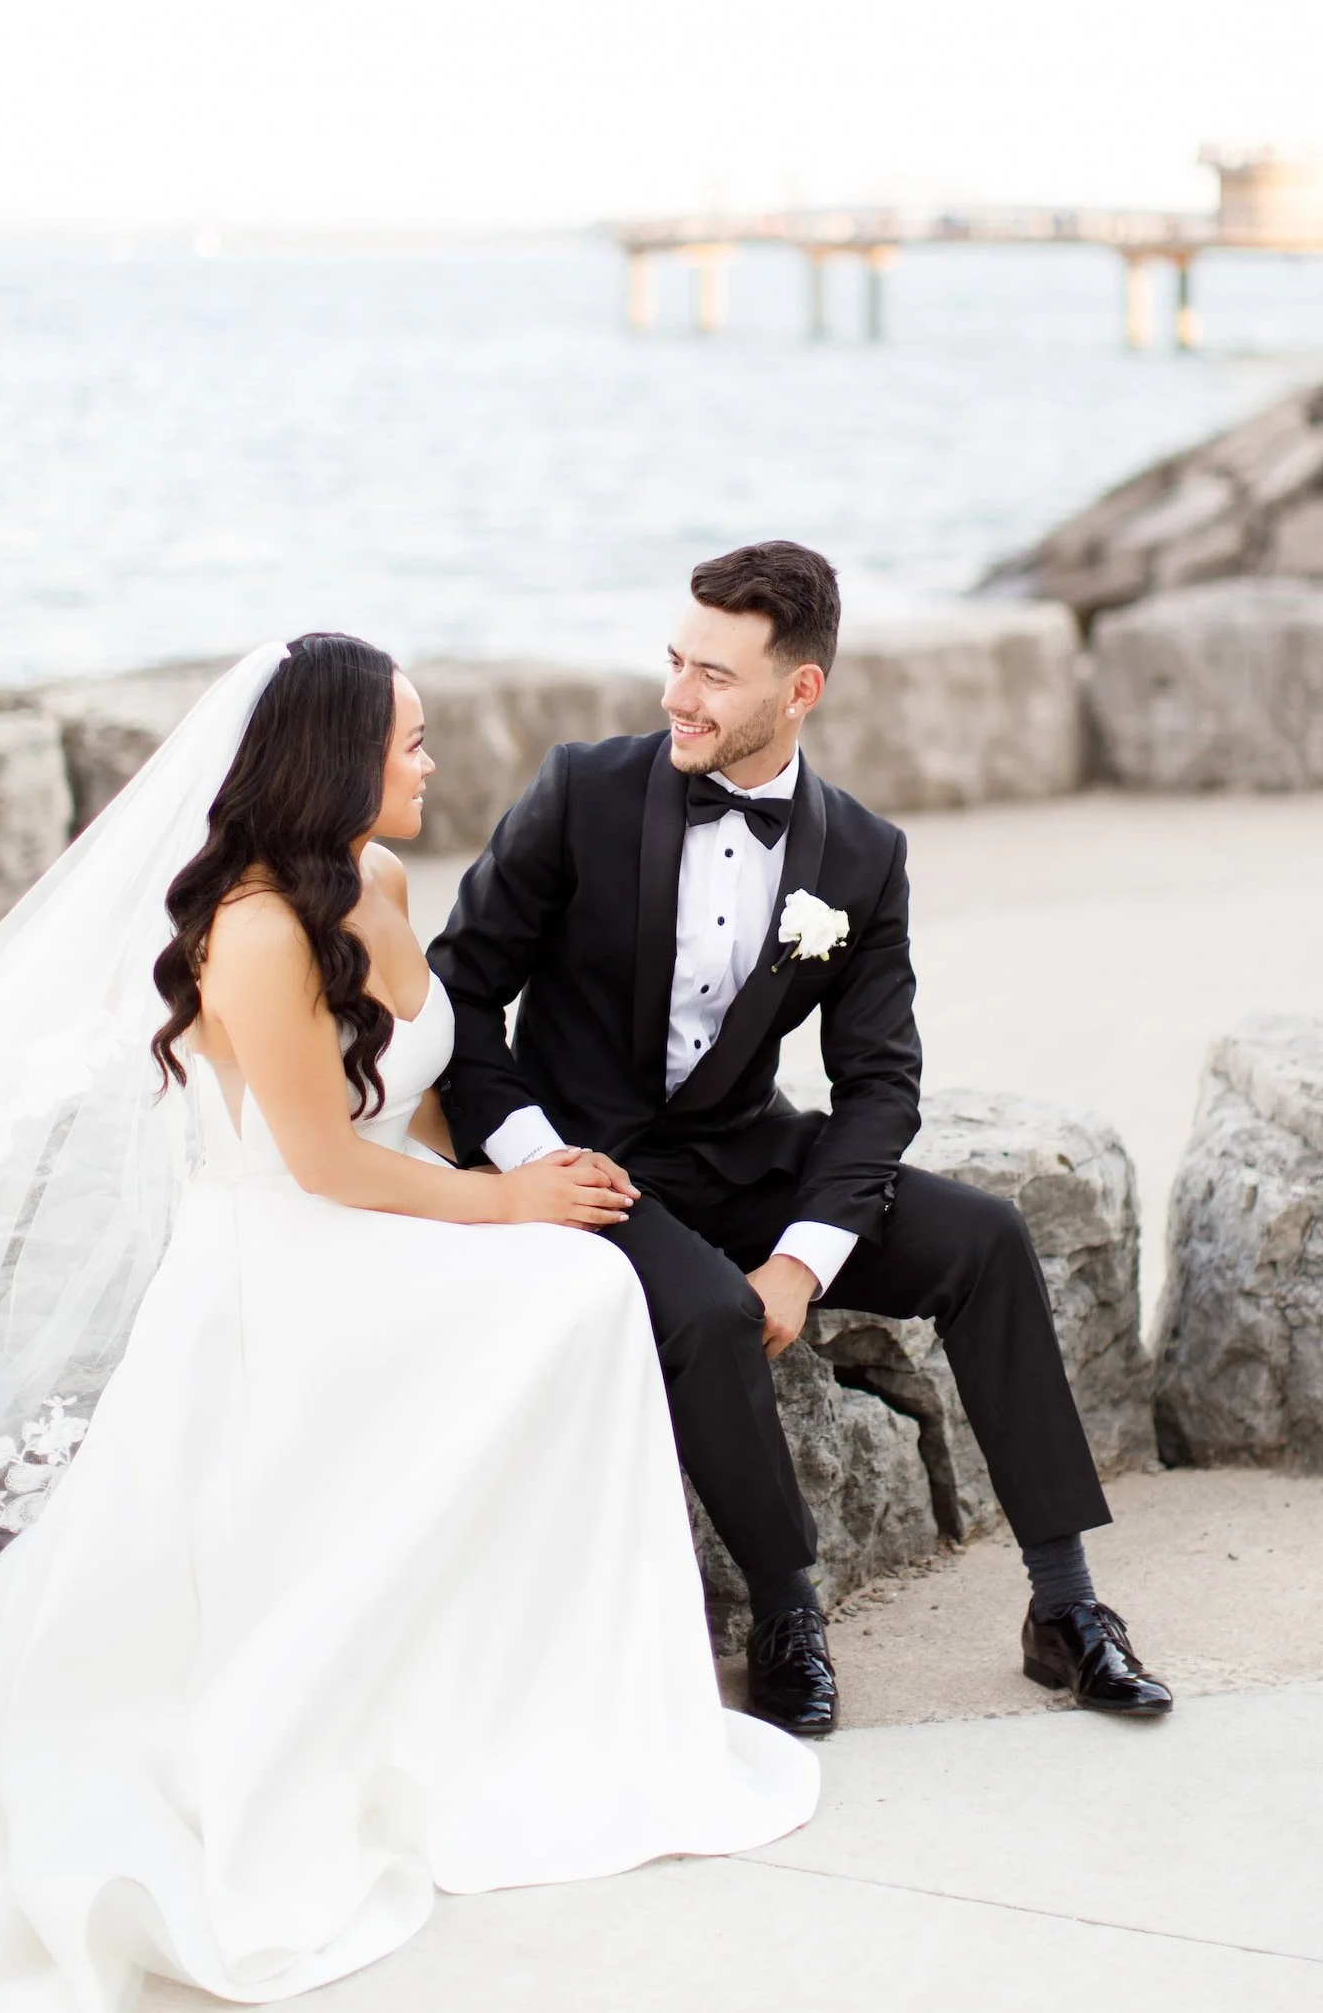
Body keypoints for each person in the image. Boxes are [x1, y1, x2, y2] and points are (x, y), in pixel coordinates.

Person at [0, 635, 815, 2013]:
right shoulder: (257, 928)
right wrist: (502, 1212)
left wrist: (507, 1183)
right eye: (407, 744)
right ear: (335, 760)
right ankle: (458, 1697)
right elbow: (319, 1161)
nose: (428, 765)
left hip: (388, 1218)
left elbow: (423, 1093)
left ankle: (528, 1689)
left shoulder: (375, 881)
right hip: (288, 1255)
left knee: (583, 1292)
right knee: (565, 1295)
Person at [430, 542, 1172, 1735]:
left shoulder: (864, 857)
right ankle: (785, 1611)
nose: (677, 694)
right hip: (593, 1172)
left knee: (981, 1237)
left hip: (746, 1156)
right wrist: (527, 1157)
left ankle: (1064, 1605)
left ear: (798, 691)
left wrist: (805, 1254)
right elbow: (455, 992)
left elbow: (879, 1080)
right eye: (675, 661)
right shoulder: (581, 792)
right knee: (713, 1316)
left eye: (713, 676)